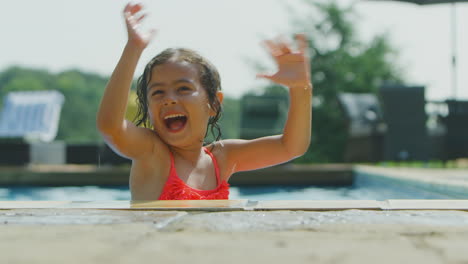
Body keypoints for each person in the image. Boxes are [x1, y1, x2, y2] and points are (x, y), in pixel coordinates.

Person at [97, 3, 312, 200]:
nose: (169, 99)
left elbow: (291, 146)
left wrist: (300, 88)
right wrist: (133, 49)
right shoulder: (152, 153)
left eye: (183, 89)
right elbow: (111, 127)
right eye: (157, 93)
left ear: (214, 103)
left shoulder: (222, 158)